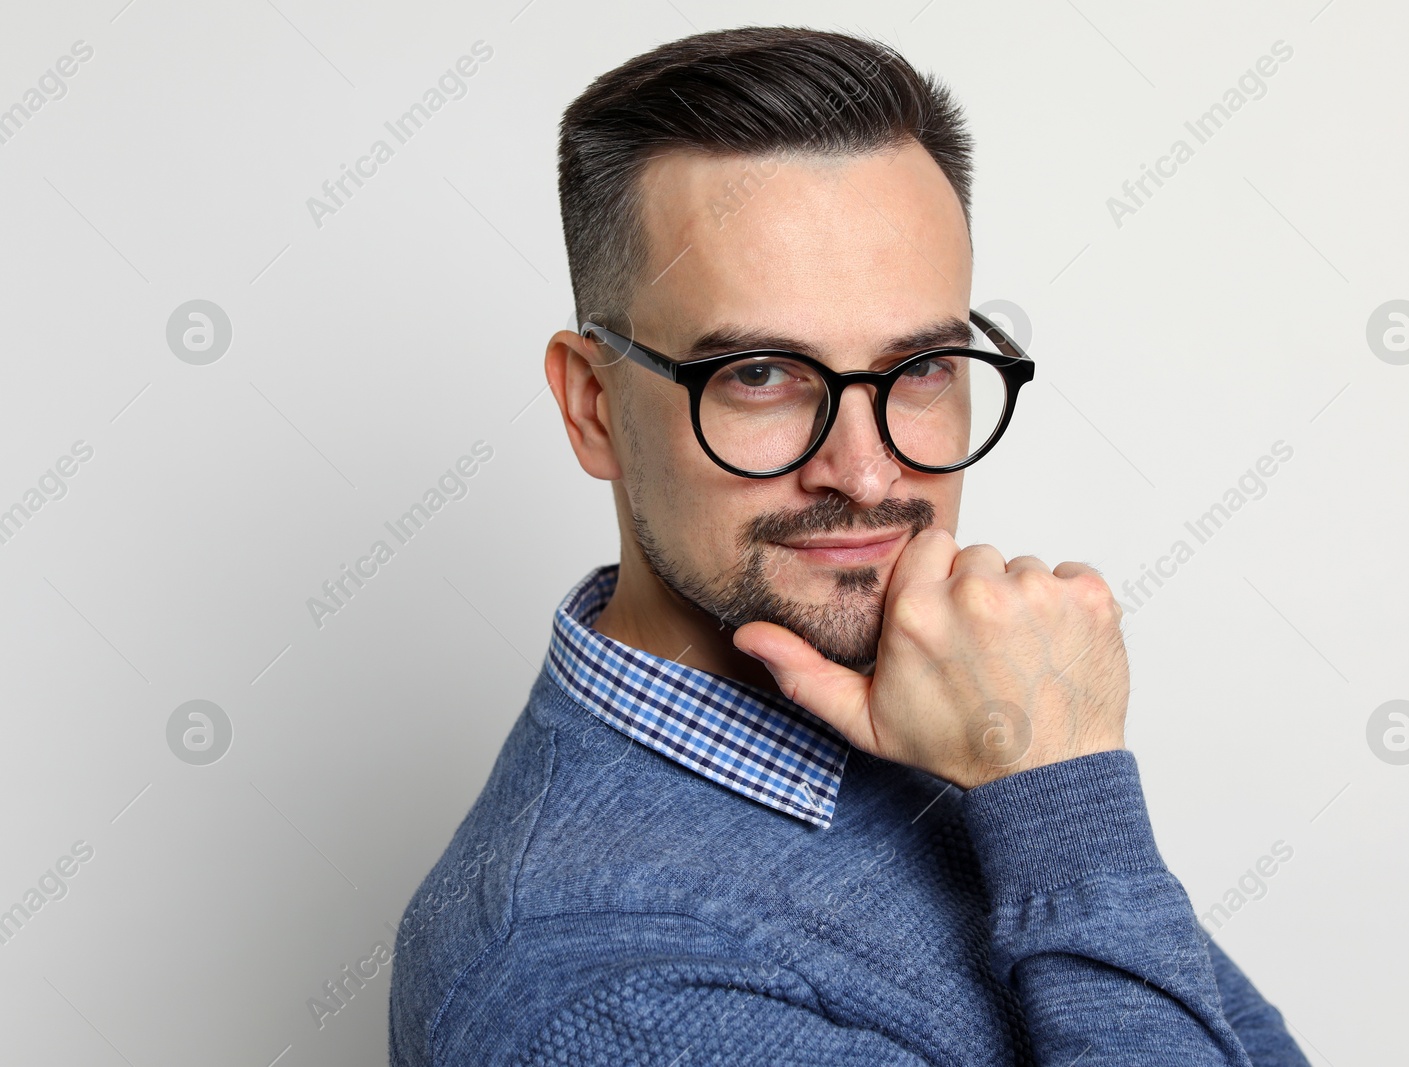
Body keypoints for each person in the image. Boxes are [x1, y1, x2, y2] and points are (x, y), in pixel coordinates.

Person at [389, 26, 1308, 1065]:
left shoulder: (940, 715)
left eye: (919, 368)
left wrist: (1032, 778)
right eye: (760, 375)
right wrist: (1061, 792)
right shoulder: (601, 980)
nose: (868, 474)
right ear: (595, 405)